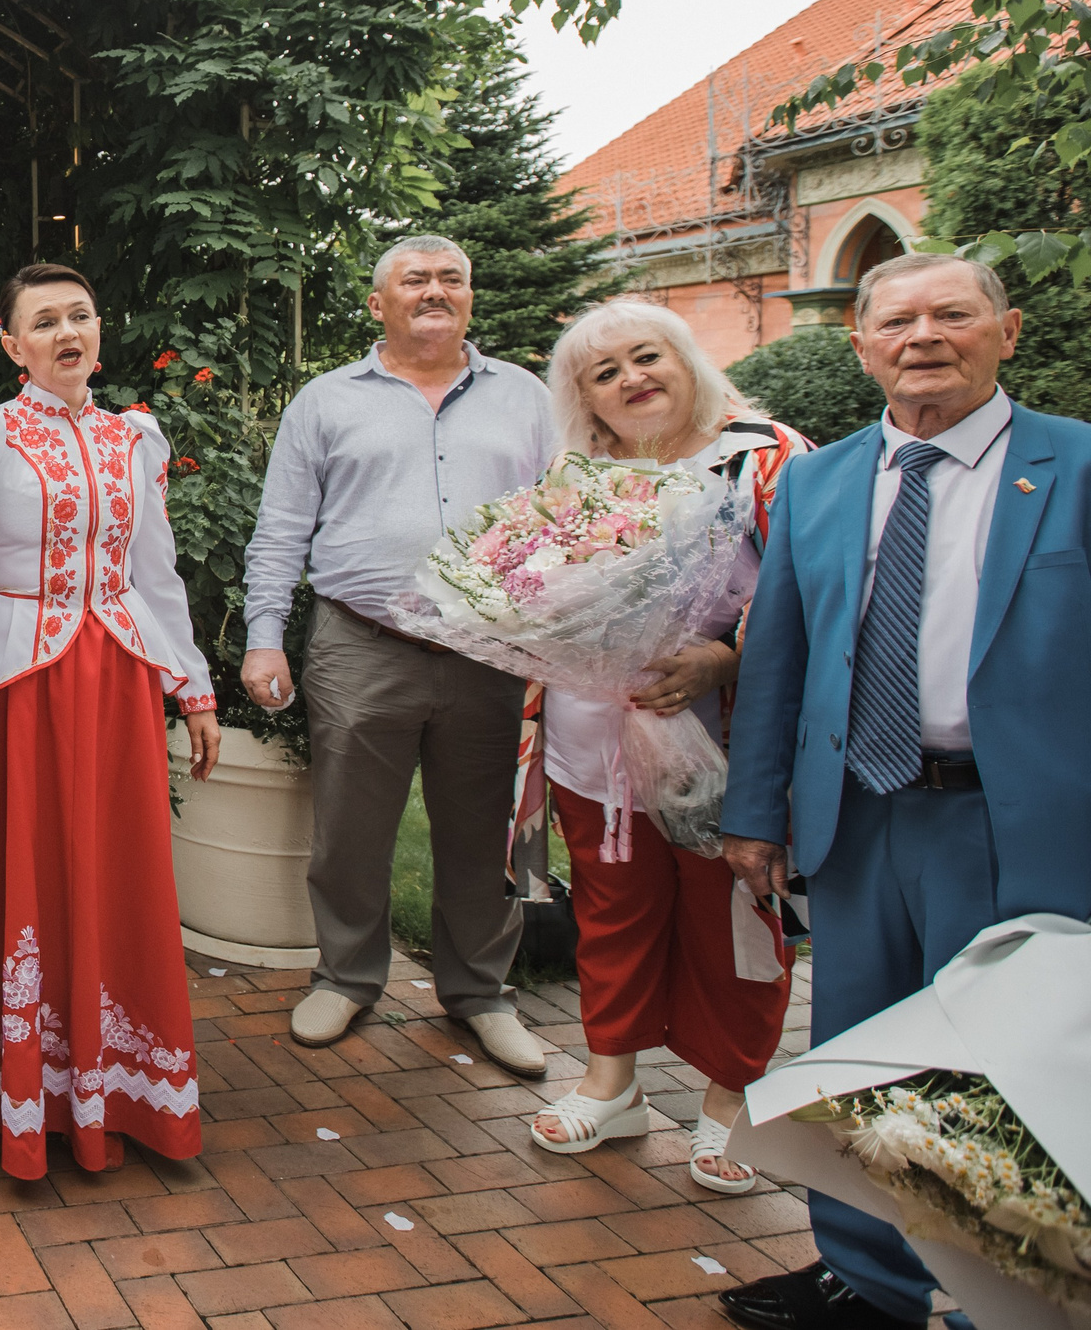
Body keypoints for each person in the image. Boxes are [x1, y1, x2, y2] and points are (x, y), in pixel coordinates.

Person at [715, 252, 1091, 1330]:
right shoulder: (825, 479)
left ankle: (1004, 1296)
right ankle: (866, 1278)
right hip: (860, 815)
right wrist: (753, 811)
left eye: (952, 315)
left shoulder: (1073, 465)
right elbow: (778, 655)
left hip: (1014, 821)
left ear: (1006, 332)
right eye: (897, 320)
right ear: (861, 344)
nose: (923, 336)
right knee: (859, 1056)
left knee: (996, 1064)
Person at [0, 262, 219, 1178]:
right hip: (13, 682)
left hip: (114, 680)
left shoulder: (136, 437)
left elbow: (156, 572)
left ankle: (106, 1082)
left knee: (109, 870)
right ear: (12, 343)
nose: (68, 331)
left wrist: (194, 683)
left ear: (101, 331)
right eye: (45, 320)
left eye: (81, 315)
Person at [239, 235, 557, 1075]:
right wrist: (264, 636)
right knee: (349, 825)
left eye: (452, 276)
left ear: (470, 297)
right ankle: (345, 975)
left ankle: (481, 993)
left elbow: (564, 516)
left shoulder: (525, 397)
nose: (435, 290)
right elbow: (281, 530)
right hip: (361, 642)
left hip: (489, 646)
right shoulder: (327, 401)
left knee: (478, 830)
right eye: (414, 279)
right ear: (378, 303)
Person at [522, 301, 811, 1192]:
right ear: (586, 401)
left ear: (686, 358)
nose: (631, 379)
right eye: (604, 374)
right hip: (592, 749)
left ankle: (733, 1100)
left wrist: (727, 659)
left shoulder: (767, 455)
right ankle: (613, 1083)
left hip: (724, 749)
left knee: (737, 921)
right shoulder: (581, 473)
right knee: (613, 910)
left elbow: (815, 594)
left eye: (646, 357)